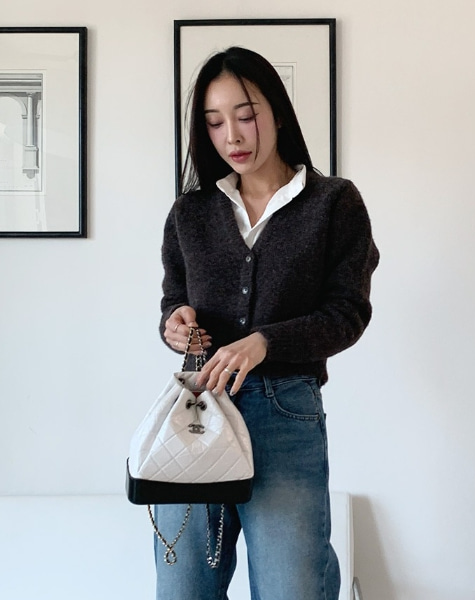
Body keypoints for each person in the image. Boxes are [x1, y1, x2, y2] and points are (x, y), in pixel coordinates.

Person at [155, 46, 379, 600]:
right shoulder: (190, 213)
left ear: (277, 112)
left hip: (286, 412)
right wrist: (175, 325)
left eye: (246, 115)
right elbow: (174, 301)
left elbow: (347, 313)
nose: (232, 135)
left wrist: (263, 342)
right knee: (184, 590)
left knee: (290, 589)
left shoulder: (333, 203)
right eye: (214, 122)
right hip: (198, 411)